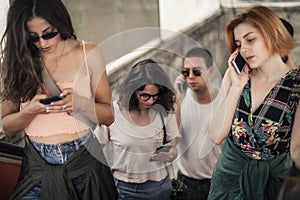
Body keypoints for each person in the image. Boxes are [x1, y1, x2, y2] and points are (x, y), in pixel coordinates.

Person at [0, 0, 117, 199]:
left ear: (60, 23)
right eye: (33, 38)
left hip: (84, 162)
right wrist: (30, 111)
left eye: (49, 33)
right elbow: (7, 126)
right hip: (37, 167)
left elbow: (108, 116)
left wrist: (80, 103)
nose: (43, 43)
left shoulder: (88, 53)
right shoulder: (16, 61)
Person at [207, 5, 300, 200]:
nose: (244, 49)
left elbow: (296, 151)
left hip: (274, 185)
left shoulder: (296, 84)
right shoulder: (236, 76)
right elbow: (216, 135)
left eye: (251, 39)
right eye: (239, 44)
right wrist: (236, 87)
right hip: (228, 182)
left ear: (272, 33)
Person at [101, 59, 180, 200]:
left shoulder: (165, 110)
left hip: (160, 188)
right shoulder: (113, 112)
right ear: (132, 90)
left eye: (156, 96)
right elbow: (96, 148)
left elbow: (173, 146)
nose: (151, 101)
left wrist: (171, 152)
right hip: (124, 189)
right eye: (145, 96)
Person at [174, 47, 223, 200]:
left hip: (217, 182)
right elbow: (173, 138)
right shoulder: (180, 101)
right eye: (185, 72)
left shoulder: (225, 101)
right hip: (186, 183)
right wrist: (177, 101)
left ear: (210, 71)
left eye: (196, 71)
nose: (190, 77)